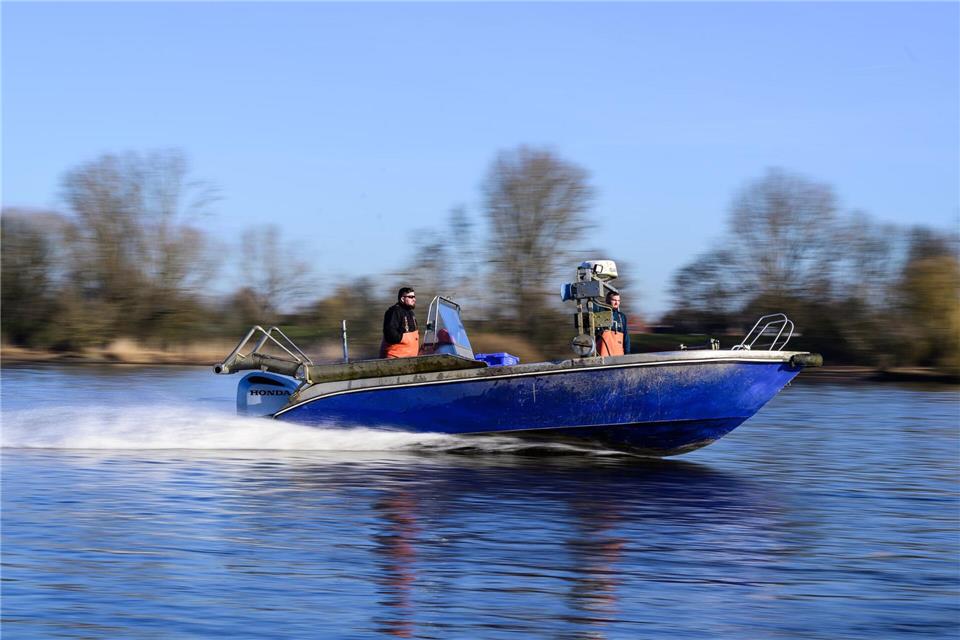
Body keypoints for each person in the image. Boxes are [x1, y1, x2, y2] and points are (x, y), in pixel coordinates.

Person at [380, 287, 420, 358]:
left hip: (409, 359)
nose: (414, 299)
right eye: (411, 297)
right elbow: (390, 335)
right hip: (395, 360)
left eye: (414, 297)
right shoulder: (394, 312)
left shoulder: (411, 313)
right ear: (402, 299)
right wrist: (403, 339)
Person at [597, 291, 630, 357]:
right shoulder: (600, 313)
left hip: (618, 353)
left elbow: (626, 336)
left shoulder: (622, 316)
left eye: (618, 300)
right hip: (603, 353)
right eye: (614, 300)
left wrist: (627, 353)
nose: (616, 302)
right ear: (608, 300)